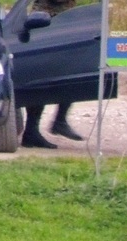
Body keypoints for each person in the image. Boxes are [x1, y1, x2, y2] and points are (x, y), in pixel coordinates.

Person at [20, 0, 82, 148]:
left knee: (70, 73)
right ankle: (31, 131)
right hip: (45, 21)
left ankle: (60, 121)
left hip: (64, 21)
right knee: (42, 77)